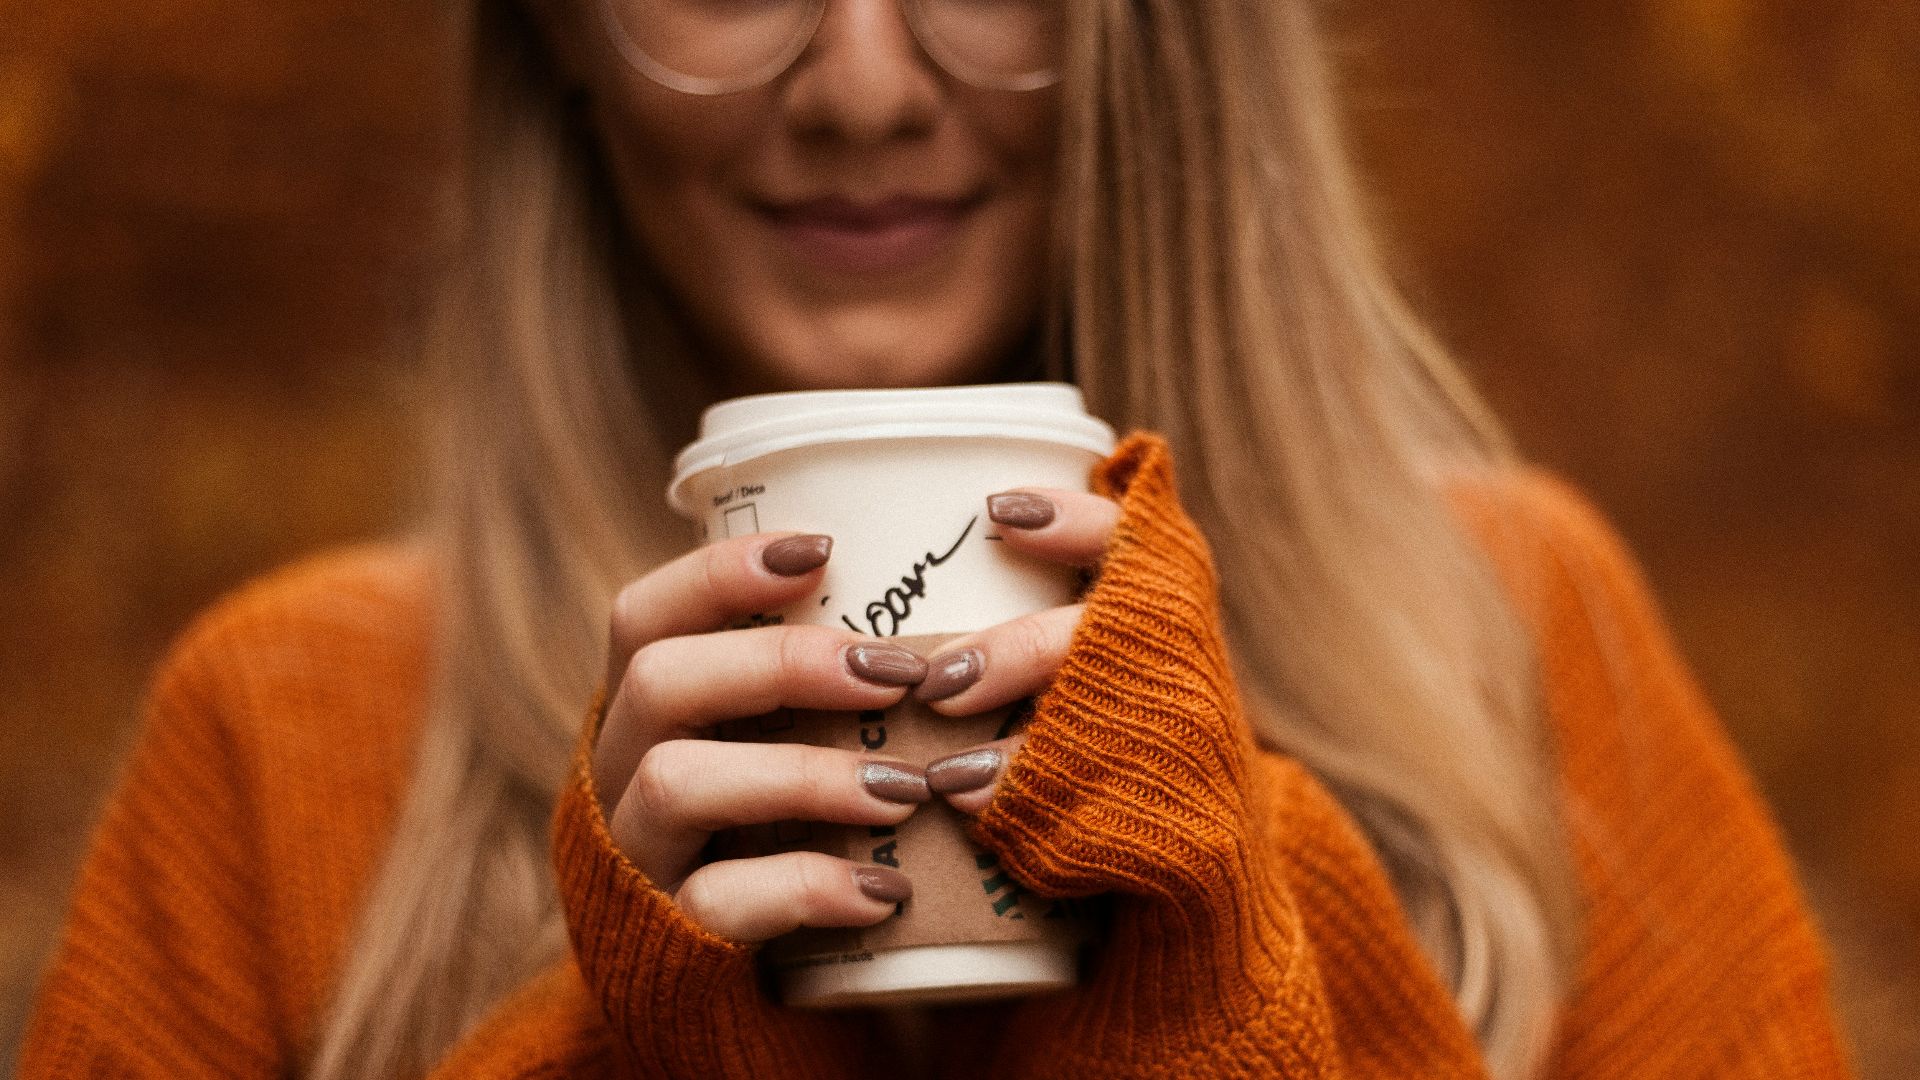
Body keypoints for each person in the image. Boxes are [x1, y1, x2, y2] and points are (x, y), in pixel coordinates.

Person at [20, 0, 1855, 1076]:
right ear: (557, 36)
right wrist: (619, 1044)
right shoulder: (278, 731)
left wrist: (1233, 970)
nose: (866, 89)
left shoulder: (1513, 636)